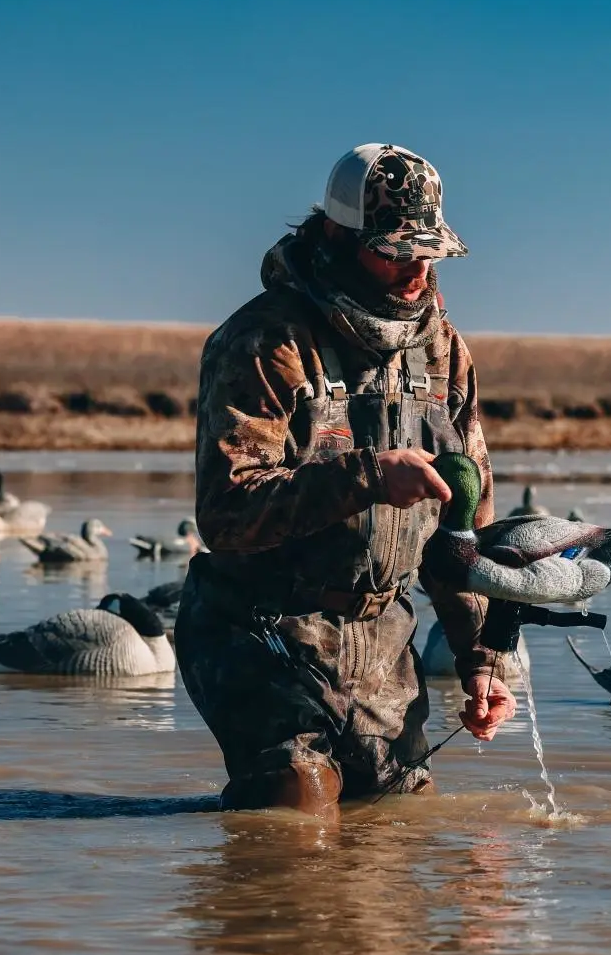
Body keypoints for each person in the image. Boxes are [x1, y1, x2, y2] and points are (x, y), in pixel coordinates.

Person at [176, 143, 516, 818]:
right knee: (292, 810)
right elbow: (226, 514)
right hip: (262, 628)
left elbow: (467, 529)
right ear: (336, 235)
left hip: (383, 638)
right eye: (395, 251)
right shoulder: (264, 343)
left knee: (398, 824)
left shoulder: (446, 351)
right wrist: (364, 478)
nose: (416, 271)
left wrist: (483, 659)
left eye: (428, 253)